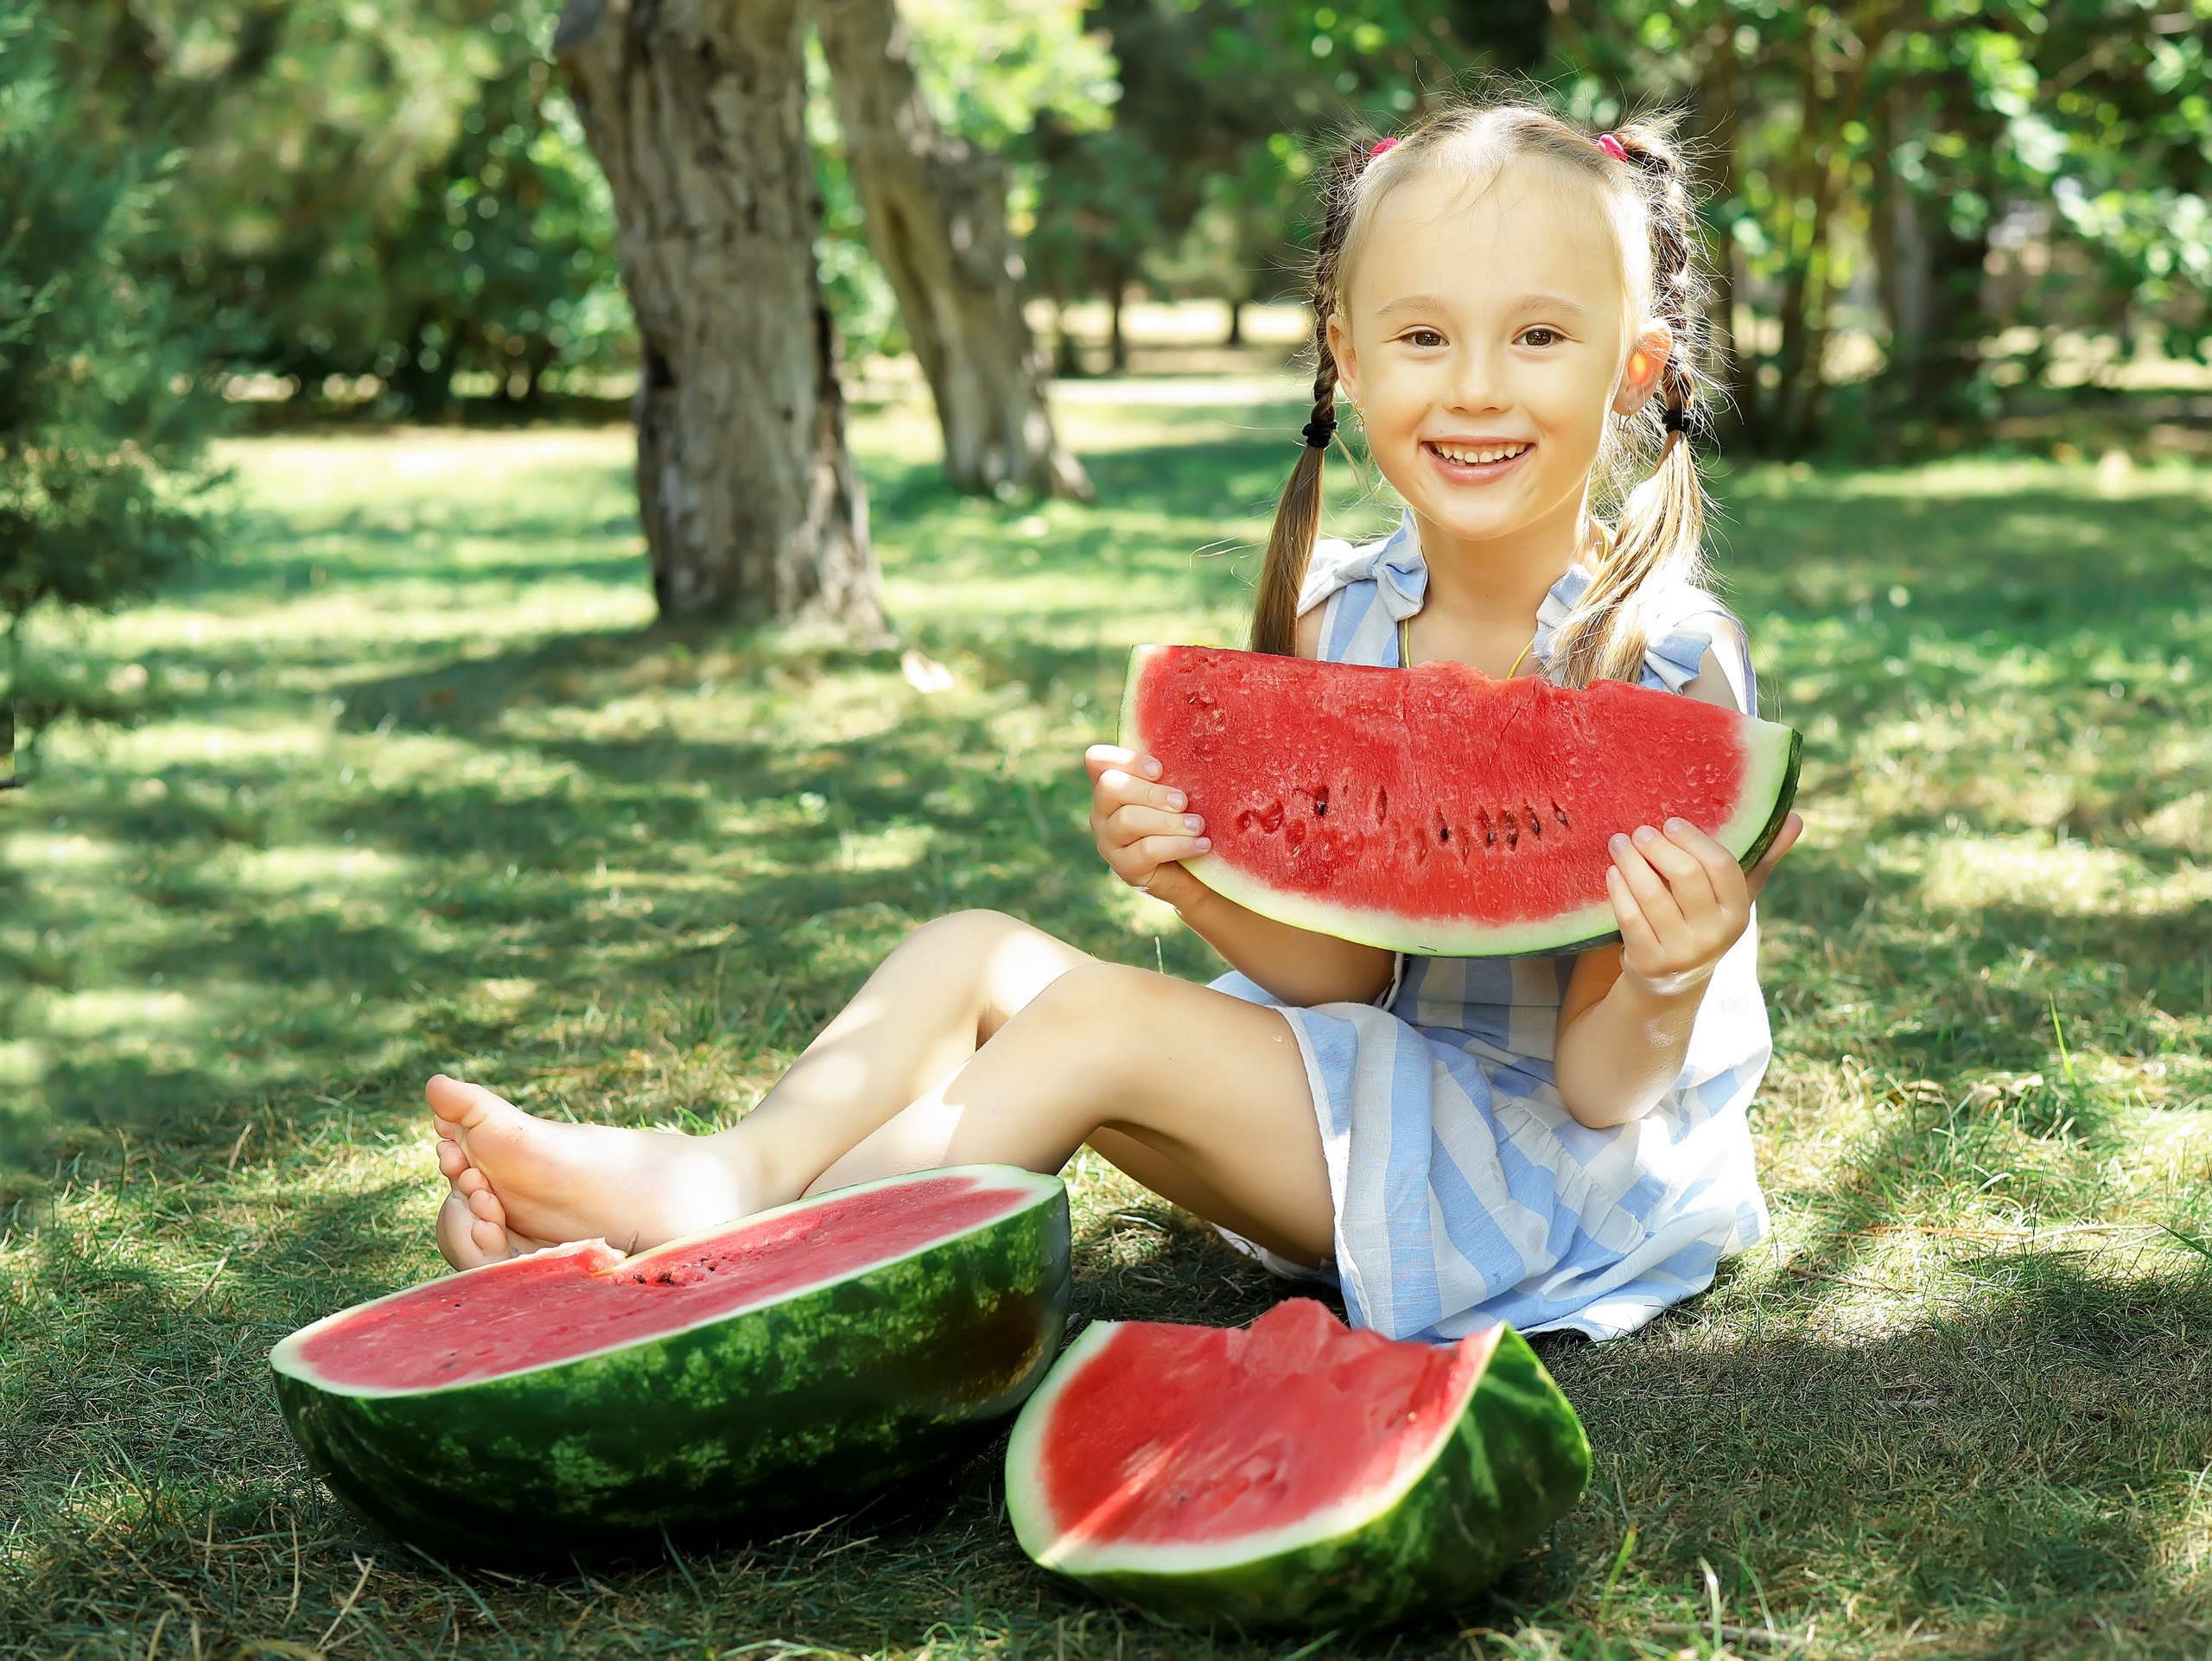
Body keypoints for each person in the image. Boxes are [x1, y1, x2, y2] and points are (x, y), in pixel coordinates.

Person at [425, 98, 1803, 1344]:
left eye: (1541, 336)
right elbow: (1341, 975)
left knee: (1096, 1025)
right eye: (1424, 334)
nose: (1478, 385)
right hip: (1360, 1096)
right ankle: (731, 1173)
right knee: (969, 950)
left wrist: (1670, 974)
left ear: (1637, 366)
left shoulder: (1663, 667)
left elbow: (1604, 1087)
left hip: (1541, 1176)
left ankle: (726, 1287)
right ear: (1349, 359)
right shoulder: (1346, 614)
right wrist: (1198, 882)